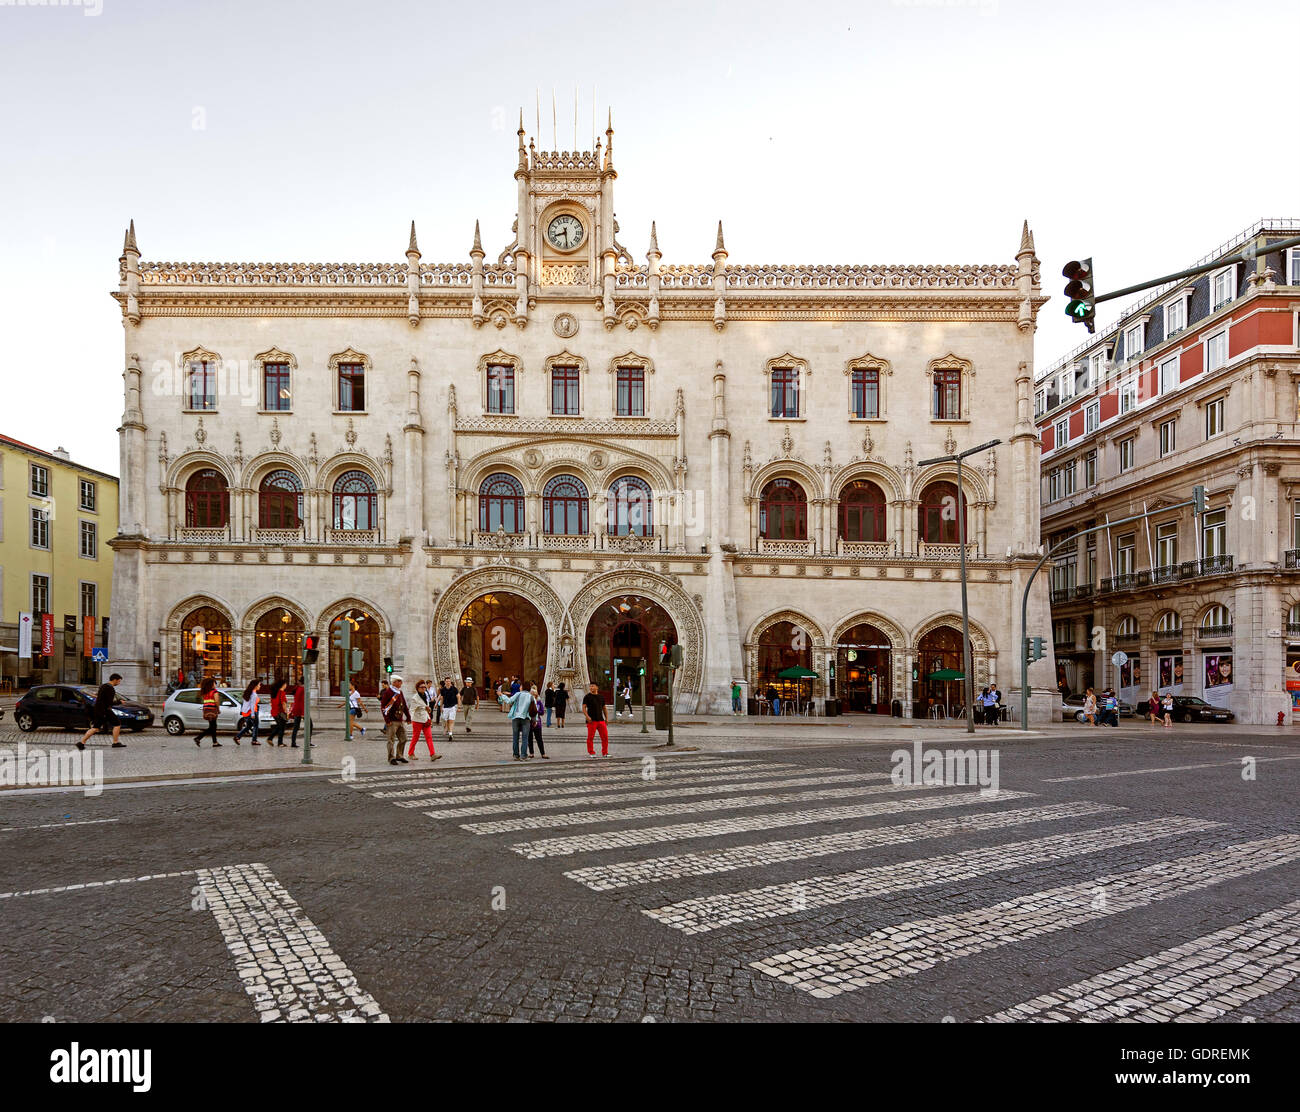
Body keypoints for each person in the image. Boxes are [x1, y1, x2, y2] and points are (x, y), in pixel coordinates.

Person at [78, 673, 126, 750]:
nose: (119, 683)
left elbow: (100, 698)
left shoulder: (103, 686)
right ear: (114, 680)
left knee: (96, 728)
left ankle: (81, 743)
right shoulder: (110, 688)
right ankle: (115, 742)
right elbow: (109, 702)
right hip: (105, 710)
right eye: (119, 681)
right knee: (117, 723)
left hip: (99, 709)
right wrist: (120, 702)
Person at [383, 675, 411, 765]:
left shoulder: (400, 692)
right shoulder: (388, 692)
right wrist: (387, 720)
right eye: (399, 681)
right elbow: (383, 707)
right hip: (391, 720)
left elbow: (404, 705)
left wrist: (408, 717)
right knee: (391, 740)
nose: (401, 683)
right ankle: (391, 758)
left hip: (400, 720)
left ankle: (400, 755)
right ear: (394, 682)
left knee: (404, 739)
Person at [502, 683, 533, 760]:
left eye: (520, 686)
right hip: (526, 718)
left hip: (516, 717)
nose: (520, 687)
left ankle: (516, 755)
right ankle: (523, 755)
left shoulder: (518, 694)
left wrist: (502, 695)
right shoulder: (531, 696)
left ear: (522, 687)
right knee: (525, 738)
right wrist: (535, 720)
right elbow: (534, 709)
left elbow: (509, 701)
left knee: (515, 737)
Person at [408, 680, 438, 761]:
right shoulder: (415, 698)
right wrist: (409, 719)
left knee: (429, 737)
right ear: (417, 688)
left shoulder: (426, 695)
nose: (424, 688)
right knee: (415, 737)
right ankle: (410, 753)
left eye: (425, 687)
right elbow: (411, 710)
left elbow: (426, 707)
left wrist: (429, 710)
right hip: (417, 720)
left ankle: (432, 754)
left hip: (426, 719)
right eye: (422, 687)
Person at [194, 675, 223, 747]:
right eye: (214, 683)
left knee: (212, 726)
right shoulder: (214, 692)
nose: (215, 685)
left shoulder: (205, 692)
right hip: (212, 709)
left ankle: (215, 742)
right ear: (211, 684)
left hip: (206, 709)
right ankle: (198, 738)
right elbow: (216, 701)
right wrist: (218, 709)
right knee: (212, 726)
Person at [582, 681, 609, 758]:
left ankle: (605, 752)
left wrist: (606, 718)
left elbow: (604, 708)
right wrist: (587, 716)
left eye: (593, 686)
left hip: (601, 720)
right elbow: (583, 707)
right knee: (590, 737)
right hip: (591, 720)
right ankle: (591, 752)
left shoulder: (601, 697)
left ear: (597, 687)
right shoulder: (587, 697)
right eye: (590, 686)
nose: (591, 687)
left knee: (605, 737)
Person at [233, 679, 262, 745]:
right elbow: (252, 704)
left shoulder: (247, 692)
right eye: (259, 685)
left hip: (245, 713)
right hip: (251, 712)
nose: (260, 686)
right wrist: (252, 714)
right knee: (255, 726)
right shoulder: (253, 694)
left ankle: (237, 737)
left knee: (248, 726)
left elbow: (243, 703)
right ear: (255, 686)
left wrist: (242, 711)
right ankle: (254, 740)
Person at [263, 680, 289, 747]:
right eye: (285, 684)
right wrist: (286, 711)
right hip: (280, 712)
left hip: (274, 712)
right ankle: (279, 742)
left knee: (279, 726)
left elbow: (271, 702)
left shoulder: (274, 693)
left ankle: (271, 739)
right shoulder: (281, 692)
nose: (286, 685)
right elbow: (283, 703)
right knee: (282, 727)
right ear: (283, 685)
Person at [527, 684, 547, 759]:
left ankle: (543, 753)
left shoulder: (539, 702)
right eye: (532, 694)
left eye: (534, 695)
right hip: (529, 722)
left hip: (538, 723)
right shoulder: (528, 702)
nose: (533, 696)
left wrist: (536, 711)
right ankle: (531, 753)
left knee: (539, 739)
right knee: (530, 739)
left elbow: (542, 712)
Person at [438, 676, 460, 741]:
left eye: (449, 681)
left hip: (453, 706)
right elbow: (442, 699)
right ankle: (448, 730)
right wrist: (441, 707)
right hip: (445, 707)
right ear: (445, 682)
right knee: (446, 720)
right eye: (447, 681)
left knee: (451, 720)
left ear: (450, 682)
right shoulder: (443, 690)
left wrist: (458, 707)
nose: (448, 682)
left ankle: (450, 734)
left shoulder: (454, 689)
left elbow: (458, 697)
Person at [288, 681, 305, 748]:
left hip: (296, 709)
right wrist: (303, 713)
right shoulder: (302, 689)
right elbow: (302, 701)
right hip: (300, 710)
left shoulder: (297, 688)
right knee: (310, 726)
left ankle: (293, 742)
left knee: (296, 727)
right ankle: (308, 742)